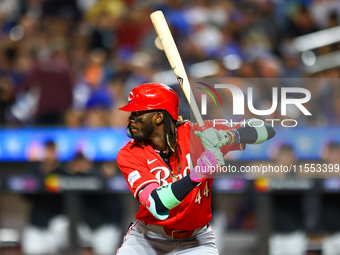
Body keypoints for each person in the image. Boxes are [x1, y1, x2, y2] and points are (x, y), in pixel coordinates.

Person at [116, 83, 276, 255]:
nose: (131, 118)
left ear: (158, 117)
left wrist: (227, 136)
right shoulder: (129, 154)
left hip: (196, 241)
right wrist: (197, 174)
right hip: (149, 238)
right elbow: (157, 203)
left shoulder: (198, 134)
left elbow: (266, 129)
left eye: (138, 113)